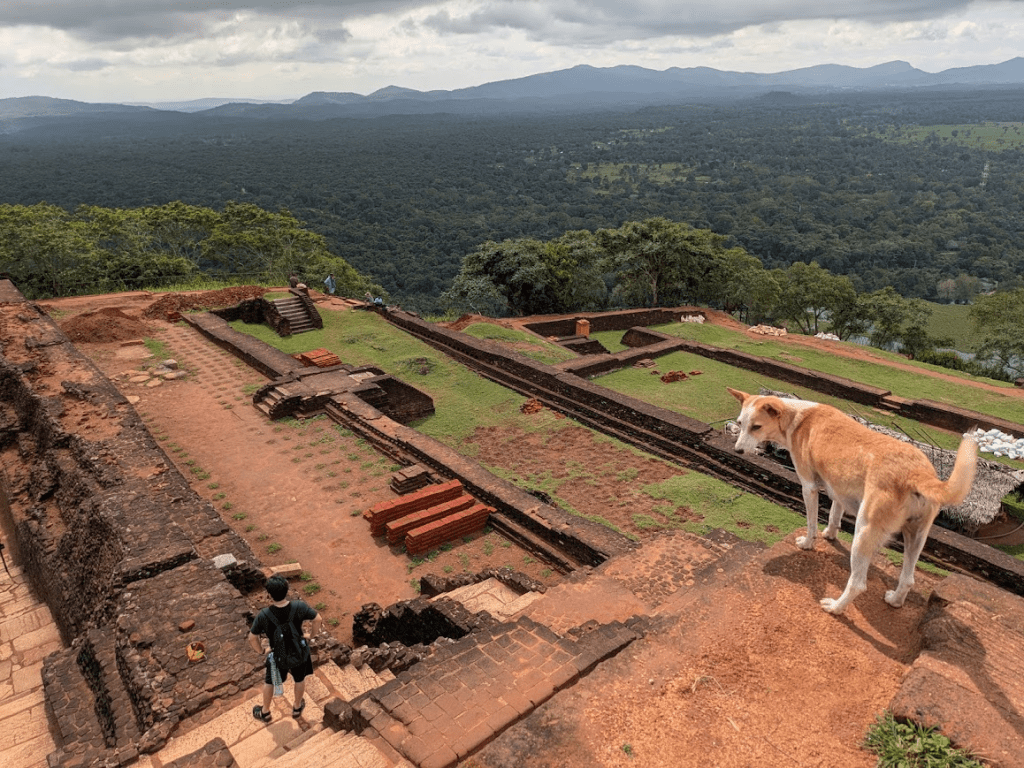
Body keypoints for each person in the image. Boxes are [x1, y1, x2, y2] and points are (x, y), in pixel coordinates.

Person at [248, 575, 322, 723]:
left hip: (278, 655)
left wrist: (262, 651)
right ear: (287, 591)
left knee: (269, 682)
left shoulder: (264, 615)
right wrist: (309, 635)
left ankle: (265, 712)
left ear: (269, 595)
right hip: (299, 652)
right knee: (299, 679)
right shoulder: (298, 606)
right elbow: (317, 619)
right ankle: (296, 707)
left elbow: (252, 637)